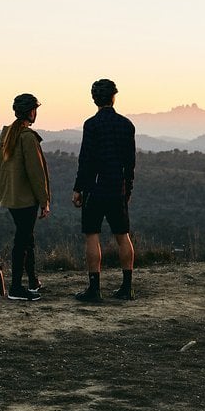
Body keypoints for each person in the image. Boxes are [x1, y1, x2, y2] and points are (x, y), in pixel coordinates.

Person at [72, 79, 136, 301]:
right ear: (114, 97)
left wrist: (78, 188)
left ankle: (94, 289)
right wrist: (127, 189)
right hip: (117, 188)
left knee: (92, 236)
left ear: (94, 100)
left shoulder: (91, 125)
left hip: (95, 189)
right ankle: (127, 288)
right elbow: (130, 163)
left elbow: (85, 160)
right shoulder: (127, 125)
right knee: (123, 236)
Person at [0, 92, 51, 301]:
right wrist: (44, 201)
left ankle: (33, 281)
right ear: (31, 112)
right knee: (23, 240)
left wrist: (8, 186)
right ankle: (16, 287)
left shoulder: (7, 134)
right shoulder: (27, 137)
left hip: (11, 197)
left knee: (27, 237)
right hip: (26, 199)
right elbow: (36, 173)